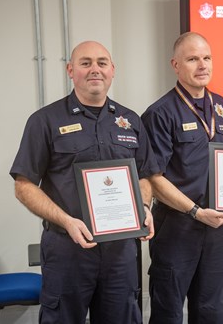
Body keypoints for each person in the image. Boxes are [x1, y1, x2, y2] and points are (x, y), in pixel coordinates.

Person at [10, 41, 159, 324]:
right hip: (68, 248)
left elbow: (143, 176)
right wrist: (67, 220)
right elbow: (24, 185)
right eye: (85, 62)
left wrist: (143, 207)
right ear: (70, 70)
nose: (95, 69)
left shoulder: (130, 120)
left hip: (120, 251)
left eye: (102, 63)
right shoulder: (45, 120)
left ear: (112, 70)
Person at [141, 31, 223, 324]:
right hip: (176, 227)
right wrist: (194, 211)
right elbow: (154, 177)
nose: (202, 65)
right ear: (175, 65)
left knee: (210, 310)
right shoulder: (159, 113)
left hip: (214, 227)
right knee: (168, 311)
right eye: (193, 59)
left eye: (206, 58)